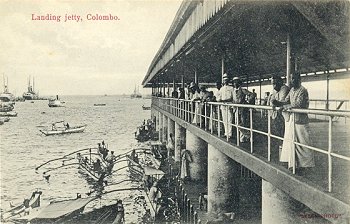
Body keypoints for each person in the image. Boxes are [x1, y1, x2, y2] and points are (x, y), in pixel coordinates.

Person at [272, 72, 315, 170]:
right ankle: (294, 163)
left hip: (301, 120)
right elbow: (287, 101)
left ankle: (307, 164)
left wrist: (283, 106)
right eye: (292, 79)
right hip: (293, 119)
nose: (293, 81)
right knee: (293, 141)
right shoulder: (291, 90)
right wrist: (277, 103)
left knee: (304, 142)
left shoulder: (303, 90)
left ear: (299, 80)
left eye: (295, 79)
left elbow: (298, 104)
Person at [269, 76, 290, 159]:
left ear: (280, 82)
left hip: (285, 116)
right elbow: (272, 101)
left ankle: (284, 154)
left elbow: (280, 102)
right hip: (278, 115)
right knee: (278, 132)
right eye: (272, 84)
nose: (274, 86)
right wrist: (274, 103)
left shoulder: (284, 88)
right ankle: (281, 152)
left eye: (275, 83)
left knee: (284, 133)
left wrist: (274, 103)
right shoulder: (275, 89)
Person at [232, 76, 254, 143]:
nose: (235, 83)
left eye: (237, 82)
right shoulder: (233, 91)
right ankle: (243, 138)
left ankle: (248, 135)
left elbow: (252, 95)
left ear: (239, 83)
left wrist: (247, 102)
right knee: (237, 123)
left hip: (242, 109)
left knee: (242, 123)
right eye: (234, 82)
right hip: (236, 109)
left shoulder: (242, 90)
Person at [216, 73, 234, 138]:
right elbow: (218, 97)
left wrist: (226, 100)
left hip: (229, 105)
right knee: (224, 120)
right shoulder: (222, 89)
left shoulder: (231, 88)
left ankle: (230, 134)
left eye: (226, 80)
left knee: (229, 119)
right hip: (223, 106)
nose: (225, 81)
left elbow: (233, 97)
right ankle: (226, 133)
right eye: (224, 80)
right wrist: (219, 100)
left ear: (228, 81)